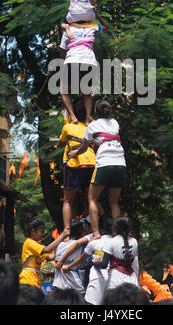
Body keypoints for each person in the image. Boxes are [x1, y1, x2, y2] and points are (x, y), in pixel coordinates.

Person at [68, 99, 126, 240]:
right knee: (114, 202)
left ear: (95, 111)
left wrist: (74, 153)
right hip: (120, 163)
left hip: (105, 163)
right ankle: (118, 235)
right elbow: (104, 128)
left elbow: (84, 147)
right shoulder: (115, 123)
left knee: (92, 199)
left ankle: (95, 233)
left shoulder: (92, 126)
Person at [60, 10, 109, 126]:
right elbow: (106, 27)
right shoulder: (91, 28)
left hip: (72, 60)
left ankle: (73, 117)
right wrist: (97, 14)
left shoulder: (69, 29)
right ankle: (88, 118)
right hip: (89, 62)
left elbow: (62, 51)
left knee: (64, 90)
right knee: (86, 92)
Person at [59, 96, 100, 230]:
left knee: (68, 200)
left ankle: (67, 231)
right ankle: (97, 228)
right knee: (90, 198)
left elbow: (61, 144)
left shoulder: (68, 126)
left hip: (74, 163)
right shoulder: (91, 127)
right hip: (92, 162)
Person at [61, 216, 113, 305]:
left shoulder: (95, 242)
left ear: (99, 229)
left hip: (97, 278)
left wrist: (67, 266)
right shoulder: (118, 242)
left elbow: (81, 258)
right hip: (114, 278)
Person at [19, 219, 70, 289]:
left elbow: (51, 257)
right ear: (33, 231)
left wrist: (67, 249)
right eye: (41, 232)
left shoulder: (36, 245)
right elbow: (47, 250)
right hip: (28, 277)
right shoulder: (29, 243)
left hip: (34, 276)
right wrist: (62, 236)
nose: (43, 235)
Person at [94, 217, 139, 290]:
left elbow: (103, 264)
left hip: (115, 280)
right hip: (132, 280)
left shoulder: (111, 242)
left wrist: (94, 258)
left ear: (115, 228)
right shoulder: (134, 241)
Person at [53, 219, 89, 294]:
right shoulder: (82, 245)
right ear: (82, 232)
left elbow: (55, 259)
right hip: (75, 285)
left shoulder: (59, 245)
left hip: (58, 284)